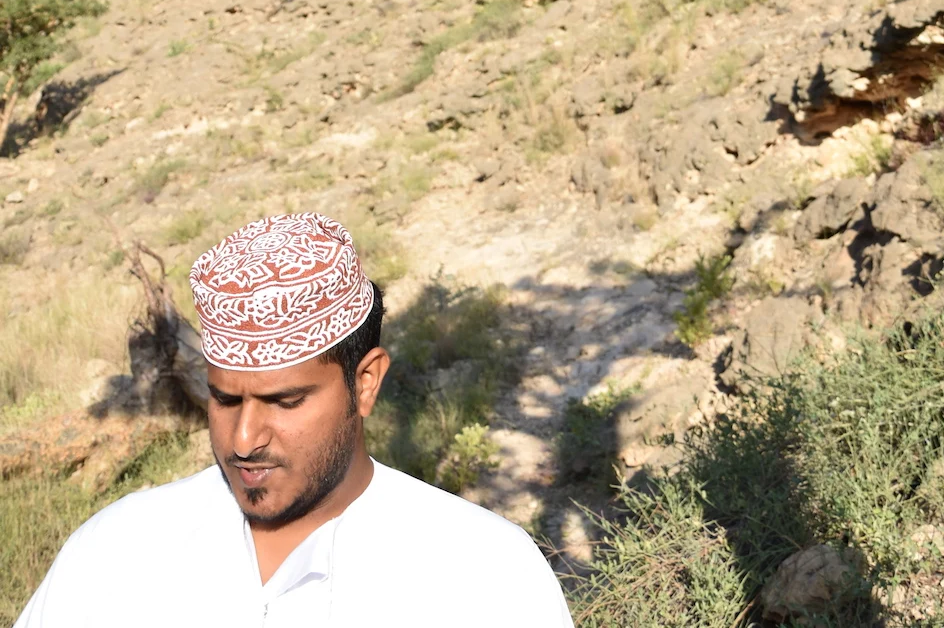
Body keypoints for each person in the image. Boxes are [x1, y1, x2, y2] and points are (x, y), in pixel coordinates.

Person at [16, 212, 574, 625]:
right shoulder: (119, 550)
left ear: (365, 383)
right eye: (224, 400)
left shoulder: (482, 574)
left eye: (285, 403)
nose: (243, 440)